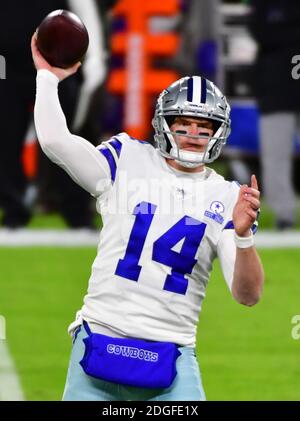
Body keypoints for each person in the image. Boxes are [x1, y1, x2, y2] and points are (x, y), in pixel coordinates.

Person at [31, 33, 264, 401]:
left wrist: (243, 237)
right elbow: (56, 141)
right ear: (163, 124)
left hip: (172, 355)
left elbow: (248, 295)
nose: (192, 135)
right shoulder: (126, 157)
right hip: (101, 339)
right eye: (183, 124)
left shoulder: (227, 196)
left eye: (204, 128)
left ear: (218, 134)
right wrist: (47, 76)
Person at [249, 0, 300, 230]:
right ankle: (284, 215)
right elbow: (260, 32)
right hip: (276, 88)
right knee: (275, 155)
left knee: (276, 156)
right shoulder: (265, 5)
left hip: (278, 79)